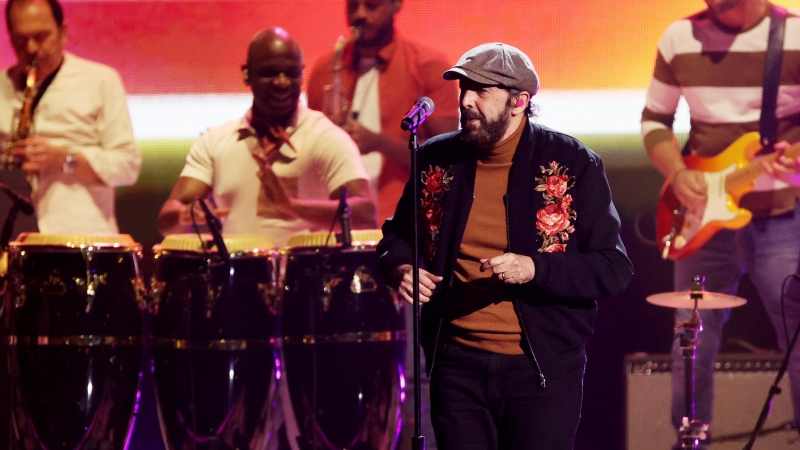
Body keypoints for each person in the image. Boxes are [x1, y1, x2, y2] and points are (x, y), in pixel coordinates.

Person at [378, 42, 633, 450]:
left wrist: (536, 269)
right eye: (463, 89)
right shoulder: (435, 159)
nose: (466, 101)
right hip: (455, 367)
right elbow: (395, 237)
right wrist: (402, 267)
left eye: (481, 90)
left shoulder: (572, 163)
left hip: (541, 371)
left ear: (520, 101)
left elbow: (612, 267)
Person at [641, 1, 800, 447]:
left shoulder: (794, 36)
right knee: (691, 341)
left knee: (796, 340)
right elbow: (655, 119)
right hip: (701, 217)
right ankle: (692, 441)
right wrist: (677, 171)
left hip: (780, 213)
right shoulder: (679, 37)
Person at [157, 27, 375, 248]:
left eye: (292, 73)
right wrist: (184, 214)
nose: (282, 82)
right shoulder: (215, 142)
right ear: (246, 74)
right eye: (270, 72)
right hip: (236, 278)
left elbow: (366, 214)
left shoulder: (327, 137)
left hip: (310, 278)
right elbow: (167, 220)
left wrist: (293, 207)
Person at [306, 0, 459, 223]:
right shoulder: (324, 69)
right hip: (338, 221)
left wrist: (379, 143)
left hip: (406, 220)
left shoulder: (429, 64)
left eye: (371, 5)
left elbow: (446, 157)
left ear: (396, 5)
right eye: (353, 6)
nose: (359, 14)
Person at [0, 0, 142, 234]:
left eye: (41, 36)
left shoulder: (100, 81)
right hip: (13, 239)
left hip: (81, 238)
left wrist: (64, 157)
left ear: (63, 32)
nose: (32, 48)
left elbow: (127, 166)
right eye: (20, 40)